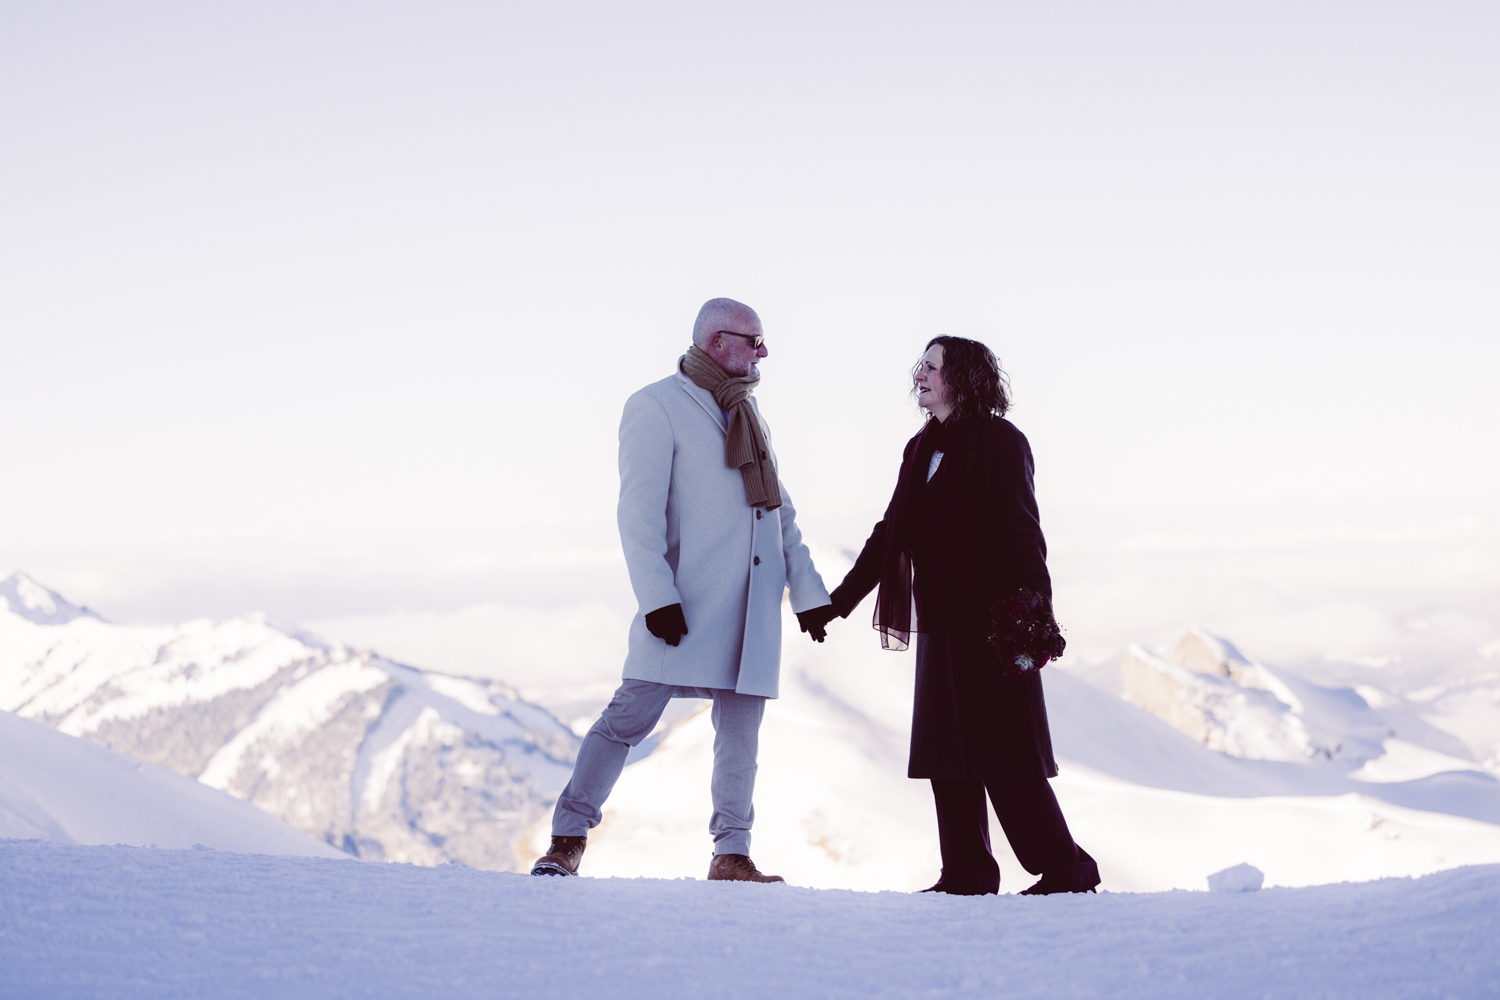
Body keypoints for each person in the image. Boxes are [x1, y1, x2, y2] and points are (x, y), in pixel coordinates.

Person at [531, 297, 834, 883]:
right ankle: (566, 839)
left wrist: (808, 593)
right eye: (754, 340)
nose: (764, 351)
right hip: (686, 604)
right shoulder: (655, 406)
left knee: (740, 738)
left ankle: (732, 853)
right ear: (718, 342)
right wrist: (657, 599)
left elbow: (780, 514)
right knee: (624, 722)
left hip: (752, 608)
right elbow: (636, 515)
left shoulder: (750, 415)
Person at [802, 336, 1099, 895]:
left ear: (961, 377)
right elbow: (892, 534)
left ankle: (1066, 871)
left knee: (1007, 756)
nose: (919, 374)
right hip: (941, 622)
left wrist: (1034, 618)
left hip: (994, 625)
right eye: (921, 365)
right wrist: (837, 603)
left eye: (932, 366)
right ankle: (966, 873)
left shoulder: (1003, 443)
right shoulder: (920, 449)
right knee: (948, 754)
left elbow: (1022, 533)